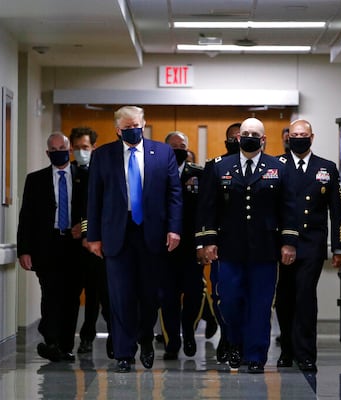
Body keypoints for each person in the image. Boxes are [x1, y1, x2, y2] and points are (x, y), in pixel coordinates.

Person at [195, 117, 298, 373]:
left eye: (255, 133)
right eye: (245, 133)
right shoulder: (218, 166)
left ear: (263, 139)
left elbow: (289, 208)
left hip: (265, 250)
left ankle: (255, 356)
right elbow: (207, 208)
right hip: (229, 249)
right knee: (228, 301)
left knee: (260, 305)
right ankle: (235, 343)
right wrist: (207, 241)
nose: (249, 136)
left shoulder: (279, 167)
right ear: (238, 138)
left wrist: (288, 242)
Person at [84, 105, 183, 373]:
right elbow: (93, 198)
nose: (133, 130)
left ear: (144, 123)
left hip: (152, 233)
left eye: (136, 125)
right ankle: (124, 353)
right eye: (127, 128)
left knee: (150, 295)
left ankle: (146, 339)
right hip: (117, 233)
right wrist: (92, 236)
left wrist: (174, 229)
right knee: (121, 295)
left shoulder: (162, 153)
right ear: (118, 129)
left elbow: (174, 193)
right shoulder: (103, 155)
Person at [275, 119, 341, 372]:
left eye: (303, 134)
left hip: (311, 244)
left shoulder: (326, 168)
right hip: (282, 243)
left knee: (305, 297)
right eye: (294, 135)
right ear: (288, 138)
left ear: (312, 137)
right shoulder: (277, 165)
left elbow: (338, 211)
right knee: (284, 298)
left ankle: (306, 354)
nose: (298, 138)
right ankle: (286, 349)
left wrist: (339, 247)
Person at [17, 132, 84, 362]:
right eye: (53, 150)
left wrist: (83, 227)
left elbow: (95, 210)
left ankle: (65, 345)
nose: (58, 153)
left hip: (76, 246)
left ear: (70, 150)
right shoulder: (35, 180)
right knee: (51, 294)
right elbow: (26, 216)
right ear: (48, 153)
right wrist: (23, 250)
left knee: (71, 297)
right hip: (47, 246)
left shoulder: (84, 176)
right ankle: (52, 341)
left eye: (62, 148)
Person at [158, 131, 206, 360]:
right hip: (165, 248)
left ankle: (188, 331)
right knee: (167, 296)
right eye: (174, 145)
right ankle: (172, 342)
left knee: (195, 294)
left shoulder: (199, 174)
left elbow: (208, 210)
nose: (179, 149)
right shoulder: (156, 173)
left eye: (183, 145)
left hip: (191, 247)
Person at [68, 127, 113, 358]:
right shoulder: (70, 171)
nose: (80, 152)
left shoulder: (101, 171)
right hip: (73, 246)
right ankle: (84, 337)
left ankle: (110, 338)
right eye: (75, 148)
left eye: (84, 147)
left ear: (93, 147)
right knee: (82, 294)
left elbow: (97, 207)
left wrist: (85, 229)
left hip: (96, 243)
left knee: (101, 295)